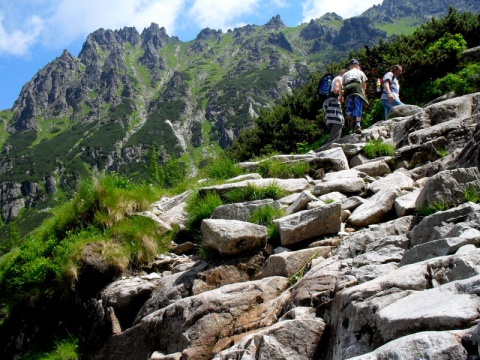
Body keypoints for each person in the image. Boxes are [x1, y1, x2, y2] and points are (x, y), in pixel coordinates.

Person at [321, 69, 347, 149]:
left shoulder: (337, 79)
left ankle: (332, 144)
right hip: (332, 102)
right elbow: (336, 91)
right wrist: (346, 91)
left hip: (330, 102)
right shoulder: (339, 79)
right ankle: (331, 145)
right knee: (338, 122)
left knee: (337, 122)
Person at [342, 59, 368, 134]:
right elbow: (364, 85)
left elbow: (343, 85)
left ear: (350, 66)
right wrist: (363, 93)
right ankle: (357, 124)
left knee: (349, 105)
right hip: (357, 88)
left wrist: (342, 96)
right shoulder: (360, 72)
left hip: (348, 89)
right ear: (357, 65)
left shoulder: (345, 74)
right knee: (358, 106)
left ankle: (349, 114)